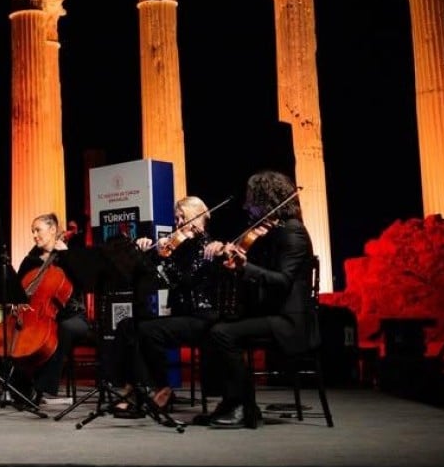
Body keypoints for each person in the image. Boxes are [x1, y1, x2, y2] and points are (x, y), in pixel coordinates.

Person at [198, 169, 317, 429]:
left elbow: (282, 281)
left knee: (223, 333)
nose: (246, 206)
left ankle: (243, 406)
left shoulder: (293, 232)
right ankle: (231, 402)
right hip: (269, 313)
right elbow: (253, 272)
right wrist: (224, 254)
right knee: (210, 326)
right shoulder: (270, 233)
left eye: (252, 199)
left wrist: (245, 267)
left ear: (266, 199)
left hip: (288, 321)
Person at [110, 196, 224, 416]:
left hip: (202, 317)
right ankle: (132, 387)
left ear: (198, 218)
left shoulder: (208, 246)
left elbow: (186, 280)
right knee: (127, 326)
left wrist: (165, 259)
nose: (178, 223)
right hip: (182, 315)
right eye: (176, 217)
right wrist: (144, 253)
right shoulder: (180, 247)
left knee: (147, 330)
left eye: (183, 217)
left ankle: (159, 388)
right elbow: (154, 278)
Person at [8, 212, 91, 406]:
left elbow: (85, 281)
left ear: (53, 229)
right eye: (32, 231)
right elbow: (18, 290)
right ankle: (18, 386)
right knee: (13, 333)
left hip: (72, 316)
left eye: (38, 230)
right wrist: (15, 306)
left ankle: (42, 386)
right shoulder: (30, 261)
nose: (34, 235)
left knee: (61, 329)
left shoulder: (68, 255)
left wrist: (67, 255)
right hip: (38, 316)